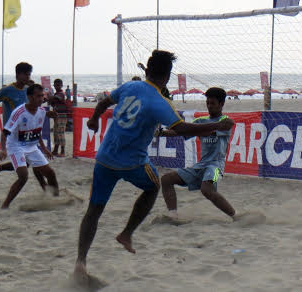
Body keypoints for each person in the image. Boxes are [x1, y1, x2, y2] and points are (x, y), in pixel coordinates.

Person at [73, 50, 235, 284]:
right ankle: (127, 233)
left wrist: (94, 119)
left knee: (94, 210)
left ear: (147, 70)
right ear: (167, 77)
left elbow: (104, 102)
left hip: (104, 159)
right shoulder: (161, 103)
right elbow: (182, 130)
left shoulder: (129, 87)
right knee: (154, 186)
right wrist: (216, 127)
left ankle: (80, 261)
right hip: (133, 163)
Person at [0, 62, 54, 188]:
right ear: (18, 75)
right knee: (29, 162)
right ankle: (44, 188)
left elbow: (35, 106)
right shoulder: (7, 90)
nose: (28, 77)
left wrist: (45, 111)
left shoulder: (27, 91)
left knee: (31, 161)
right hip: (13, 133)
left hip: (27, 131)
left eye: (29, 74)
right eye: (26, 75)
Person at [159, 87, 236, 220]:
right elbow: (181, 132)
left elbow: (224, 125)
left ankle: (235, 216)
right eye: (208, 103)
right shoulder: (200, 122)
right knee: (166, 179)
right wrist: (162, 133)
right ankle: (173, 215)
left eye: (213, 103)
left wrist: (194, 130)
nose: (209, 106)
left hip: (216, 167)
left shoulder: (225, 121)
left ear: (222, 104)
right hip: (200, 166)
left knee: (207, 190)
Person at [0, 84, 59, 208]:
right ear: (30, 97)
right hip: (16, 146)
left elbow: (37, 132)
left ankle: (56, 199)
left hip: (32, 147)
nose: (42, 99)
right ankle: (5, 205)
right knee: (23, 176)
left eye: (43, 96)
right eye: (38, 96)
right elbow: (5, 132)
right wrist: (3, 149)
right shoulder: (19, 112)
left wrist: (44, 149)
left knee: (51, 173)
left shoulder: (42, 112)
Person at [48, 78, 69, 157]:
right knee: (56, 133)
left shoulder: (61, 94)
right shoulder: (57, 94)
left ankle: (63, 151)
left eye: (58, 85)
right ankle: (56, 150)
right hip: (57, 116)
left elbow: (52, 100)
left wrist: (49, 96)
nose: (57, 86)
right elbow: (51, 102)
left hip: (61, 115)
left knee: (60, 133)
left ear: (61, 85)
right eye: (56, 85)